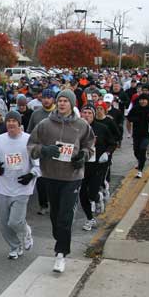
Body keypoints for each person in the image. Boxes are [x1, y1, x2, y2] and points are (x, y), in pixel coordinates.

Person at [27, 90, 95, 273]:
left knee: (65, 216)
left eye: (66, 101)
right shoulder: (45, 124)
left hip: (72, 177)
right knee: (56, 216)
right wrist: (44, 150)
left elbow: (90, 146)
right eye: (60, 100)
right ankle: (60, 240)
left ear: (72, 104)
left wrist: (83, 156)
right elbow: (31, 145)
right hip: (50, 175)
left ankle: (61, 253)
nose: (63, 103)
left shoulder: (81, 125)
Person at [0, 112, 40, 259]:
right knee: (5, 224)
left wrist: (31, 174)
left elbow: (38, 164)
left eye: (14, 121)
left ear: (19, 123)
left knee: (15, 221)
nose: (11, 124)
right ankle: (15, 247)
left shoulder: (29, 140)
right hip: (4, 187)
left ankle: (26, 231)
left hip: (22, 188)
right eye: (8, 121)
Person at [78, 105, 117, 230]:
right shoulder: (75, 129)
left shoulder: (102, 128)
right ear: (81, 114)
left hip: (98, 166)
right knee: (82, 195)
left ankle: (97, 196)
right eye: (85, 112)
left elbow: (112, 143)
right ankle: (90, 219)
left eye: (90, 113)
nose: (87, 115)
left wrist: (107, 153)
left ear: (93, 115)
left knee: (91, 193)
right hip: (82, 166)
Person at [27, 89, 56, 215]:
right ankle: (43, 204)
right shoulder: (36, 113)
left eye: (49, 97)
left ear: (53, 99)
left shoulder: (58, 113)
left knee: (54, 179)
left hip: (55, 151)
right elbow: (29, 131)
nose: (46, 100)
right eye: (44, 97)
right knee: (41, 179)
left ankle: (55, 203)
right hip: (40, 150)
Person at [126, 94, 149, 178]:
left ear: (147, 100)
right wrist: (136, 119)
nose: (142, 101)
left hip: (147, 133)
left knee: (142, 149)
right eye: (141, 100)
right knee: (136, 150)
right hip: (136, 132)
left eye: (144, 100)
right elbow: (129, 117)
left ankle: (140, 170)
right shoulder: (135, 108)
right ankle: (141, 160)